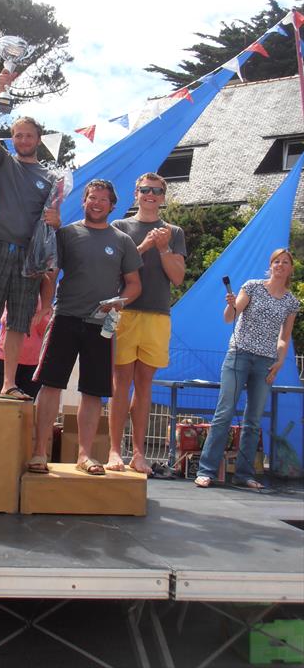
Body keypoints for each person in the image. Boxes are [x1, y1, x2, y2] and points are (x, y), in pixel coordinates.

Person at [28, 180, 142, 475]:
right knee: (51, 385)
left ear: (113, 206)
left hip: (101, 325)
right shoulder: (66, 234)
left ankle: (85, 455)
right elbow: (51, 273)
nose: (97, 203)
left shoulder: (122, 241)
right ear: (84, 201)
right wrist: (44, 307)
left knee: (93, 392)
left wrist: (119, 303)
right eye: (92, 197)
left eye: (103, 199)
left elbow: (134, 285)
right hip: (64, 317)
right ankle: (39, 452)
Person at [0, 69, 60, 401]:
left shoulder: (51, 178)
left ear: (38, 139)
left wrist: (56, 221)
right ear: (13, 138)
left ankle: (8, 384)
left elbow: (52, 225)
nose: (23, 141)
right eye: (18, 135)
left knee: (19, 324)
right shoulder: (3, 163)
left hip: (29, 258)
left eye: (29, 136)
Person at [195, 248, 300, 489]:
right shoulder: (252, 286)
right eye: (276, 261)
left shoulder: (291, 302)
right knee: (225, 411)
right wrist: (231, 305)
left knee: (253, 420)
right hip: (239, 355)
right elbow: (229, 318)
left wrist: (280, 361)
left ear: (290, 269)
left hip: (265, 362)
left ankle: (244, 474)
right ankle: (206, 470)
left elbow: (284, 337)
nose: (280, 265)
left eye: (285, 262)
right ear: (270, 265)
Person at [107, 173, 186, 474]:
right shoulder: (120, 227)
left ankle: (138, 454)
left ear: (164, 196)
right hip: (123, 312)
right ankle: (115, 451)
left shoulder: (173, 231)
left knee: (144, 385)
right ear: (136, 193)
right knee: (120, 383)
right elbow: (111, 270)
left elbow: (177, 277)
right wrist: (141, 247)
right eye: (145, 190)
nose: (151, 195)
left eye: (157, 191)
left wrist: (163, 248)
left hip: (157, 314)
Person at [0, 295, 52, 400]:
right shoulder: (15, 293)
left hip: (32, 365)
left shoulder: (45, 303)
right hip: (5, 361)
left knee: (25, 410)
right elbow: (6, 321)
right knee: (1, 408)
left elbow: (46, 330)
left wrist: (40, 312)